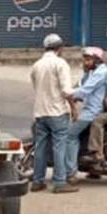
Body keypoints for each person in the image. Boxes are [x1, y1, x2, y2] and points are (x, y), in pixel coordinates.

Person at [29, 33, 78, 194]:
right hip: (57, 112)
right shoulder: (60, 63)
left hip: (40, 112)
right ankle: (59, 182)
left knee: (40, 147)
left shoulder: (37, 65)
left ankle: (37, 181)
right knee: (59, 147)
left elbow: (35, 86)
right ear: (60, 48)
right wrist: (73, 108)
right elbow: (66, 90)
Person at [68, 47, 107, 172]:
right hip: (88, 109)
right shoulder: (92, 72)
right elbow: (80, 85)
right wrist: (70, 91)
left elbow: (85, 90)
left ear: (97, 60)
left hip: (93, 111)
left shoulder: (101, 72)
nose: (85, 62)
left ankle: (70, 172)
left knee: (69, 135)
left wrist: (69, 95)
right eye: (84, 59)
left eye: (88, 60)